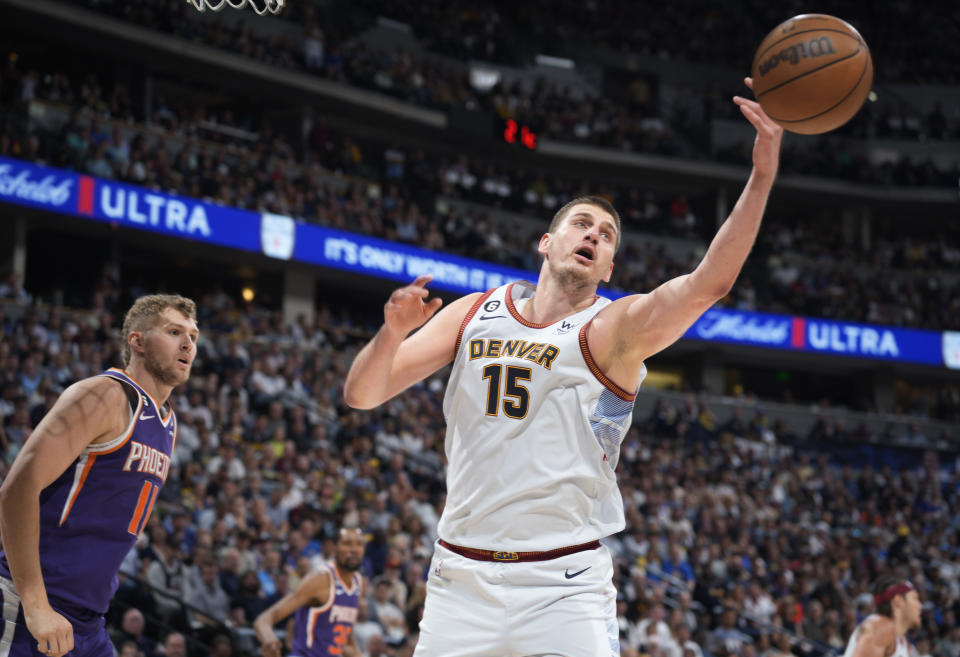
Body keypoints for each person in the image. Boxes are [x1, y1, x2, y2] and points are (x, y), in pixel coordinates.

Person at [344, 79, 782, 657]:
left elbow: (710, 283)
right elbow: (362, 394)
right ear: (547, 242)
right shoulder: (477, 309)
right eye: (582, 224)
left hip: (563, 587)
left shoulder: (615, 329)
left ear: (608, 267)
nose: (593, 236)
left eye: (605, 237)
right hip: (459, 580)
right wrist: (391, 334)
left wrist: (761, 176)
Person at [0, 294, 198, 657]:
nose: (188, 343)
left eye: (193, 336)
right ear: (137, 341)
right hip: (35, 608)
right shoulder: (105, 395)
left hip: (89, 620)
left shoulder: (168, 423)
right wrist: (36, 605)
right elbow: (16, 490)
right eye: (174, 332)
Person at [253, 528, 365, 657]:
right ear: (334, 549)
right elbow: (263, 620)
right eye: (347, 544)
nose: (354, 550)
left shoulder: (357, 582)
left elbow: (347, 642)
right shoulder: (320, 580)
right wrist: (269, 638)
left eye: (359, 544)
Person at [843, 578, 922, 657]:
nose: (920, 606)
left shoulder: (903, 642)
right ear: (898, 601)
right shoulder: (878, 629)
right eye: (915, 598)